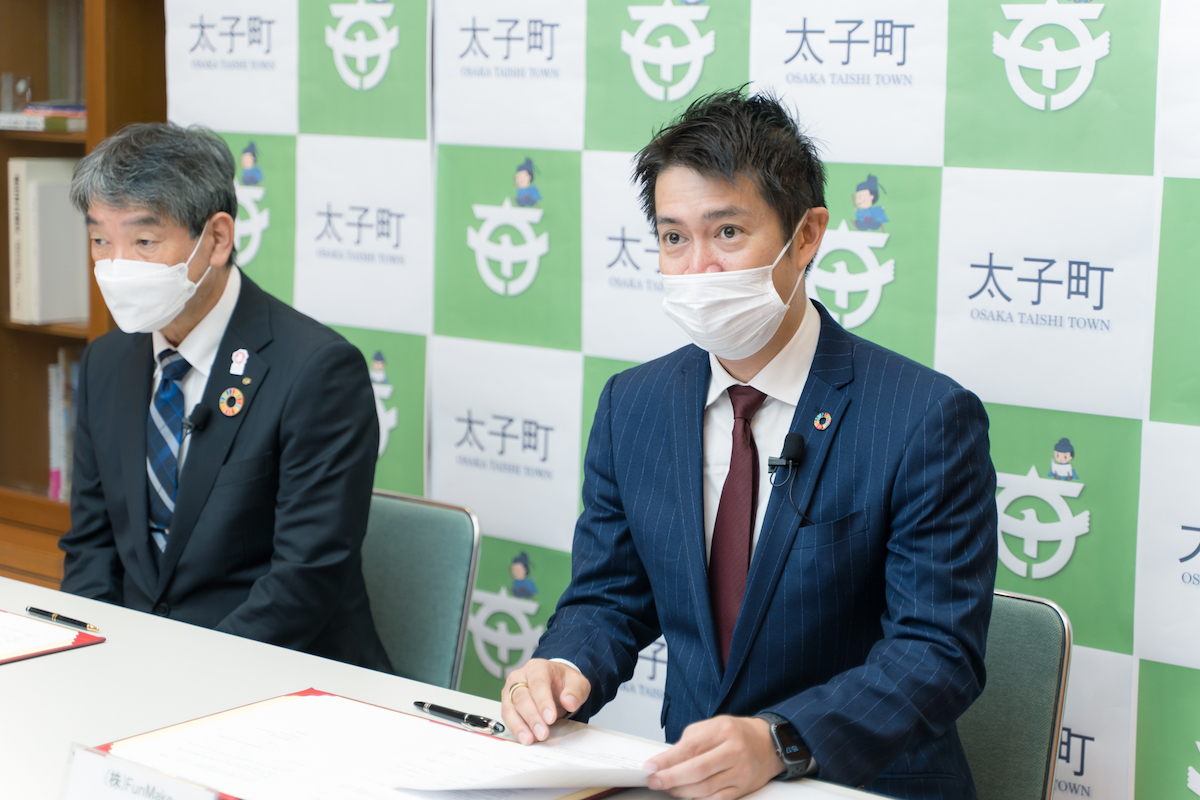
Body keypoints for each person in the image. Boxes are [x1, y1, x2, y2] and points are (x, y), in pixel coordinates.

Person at [500, 91, 998, 800]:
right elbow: (609, 596)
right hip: (694, 782)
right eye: (674, 238)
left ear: (807, 236)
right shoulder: (633, 406)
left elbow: (936, 653)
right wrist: (564, 666)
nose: (698, 268)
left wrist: (780, 741)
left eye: (728, 232)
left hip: (856, 785)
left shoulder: (924, 418)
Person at [59, 123, 391, 672]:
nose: (117, 266)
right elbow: (91, 549)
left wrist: (186, 677)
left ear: (216, 239)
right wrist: (95, 662)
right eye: (100, 241)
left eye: (143, 242)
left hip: (283, 675)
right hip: (134, 671)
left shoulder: (317, 371)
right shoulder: (106, 362)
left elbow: (303, 582)